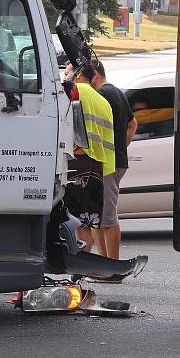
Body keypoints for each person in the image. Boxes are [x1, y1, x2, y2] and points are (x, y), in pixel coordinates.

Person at [63, 62, 116, 254]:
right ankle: (82, 270)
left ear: (77, 75)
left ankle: (77, 268)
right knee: (85, 223)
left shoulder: (74, 90)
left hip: (78, 164)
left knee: (74, 221)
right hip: (98, 168)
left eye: (67, 72)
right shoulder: (102, 100)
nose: (64, 76)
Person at [90, 59, 137, 262]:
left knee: (107, 216)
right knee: (98, 216)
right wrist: (122, 148)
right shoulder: (117, 92)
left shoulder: (101, 95)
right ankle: (104, 264)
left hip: (108, 163)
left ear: (95, 75)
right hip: (116, 160)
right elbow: (133, 124)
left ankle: (112, 266)